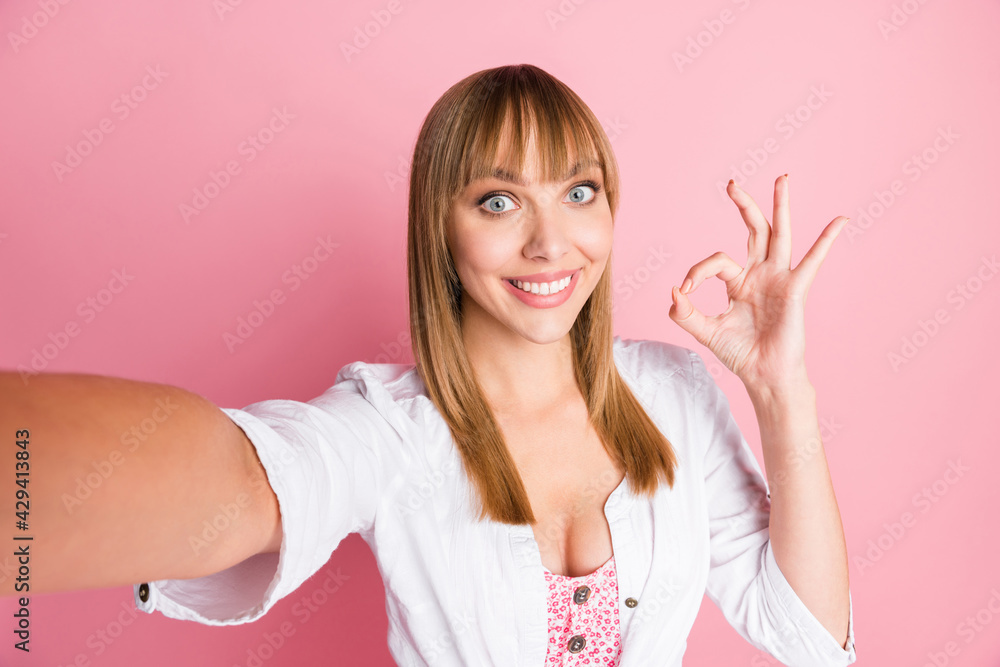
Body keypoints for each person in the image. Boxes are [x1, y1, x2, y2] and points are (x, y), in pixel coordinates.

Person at [2, 64, 856, 666]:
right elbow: (257, 478)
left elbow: (810, 638)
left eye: (579, 191)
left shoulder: (675, 394)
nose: (550, 239)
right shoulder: (389, 429)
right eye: (498, 200)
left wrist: (783, 393)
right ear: (440, 229)